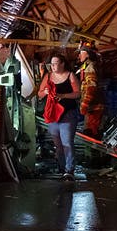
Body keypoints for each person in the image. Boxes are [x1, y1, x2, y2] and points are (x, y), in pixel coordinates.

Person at [37, 53, 81, 181]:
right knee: (58, 144)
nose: (53, 66)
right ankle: (62, 168)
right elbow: (39, 94)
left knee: (67, 142)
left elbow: (77, 93)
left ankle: (69, 170)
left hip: (68, 113)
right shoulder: (48, 76)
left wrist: (63, 96)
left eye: (56, 63)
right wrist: (45, 92)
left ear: (62, 64)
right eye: (52, 64)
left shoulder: (70, 75)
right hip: (53, 114)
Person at [77, 41, 105, 139]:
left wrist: (84, 104)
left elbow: (91, 87)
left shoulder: (90, 67)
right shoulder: (88, 66)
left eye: (81, 53)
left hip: (94, 107)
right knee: (90, 133)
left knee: (91, 134)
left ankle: (94, 153)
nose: (79, 55)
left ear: (88, 54)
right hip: (93, 107)